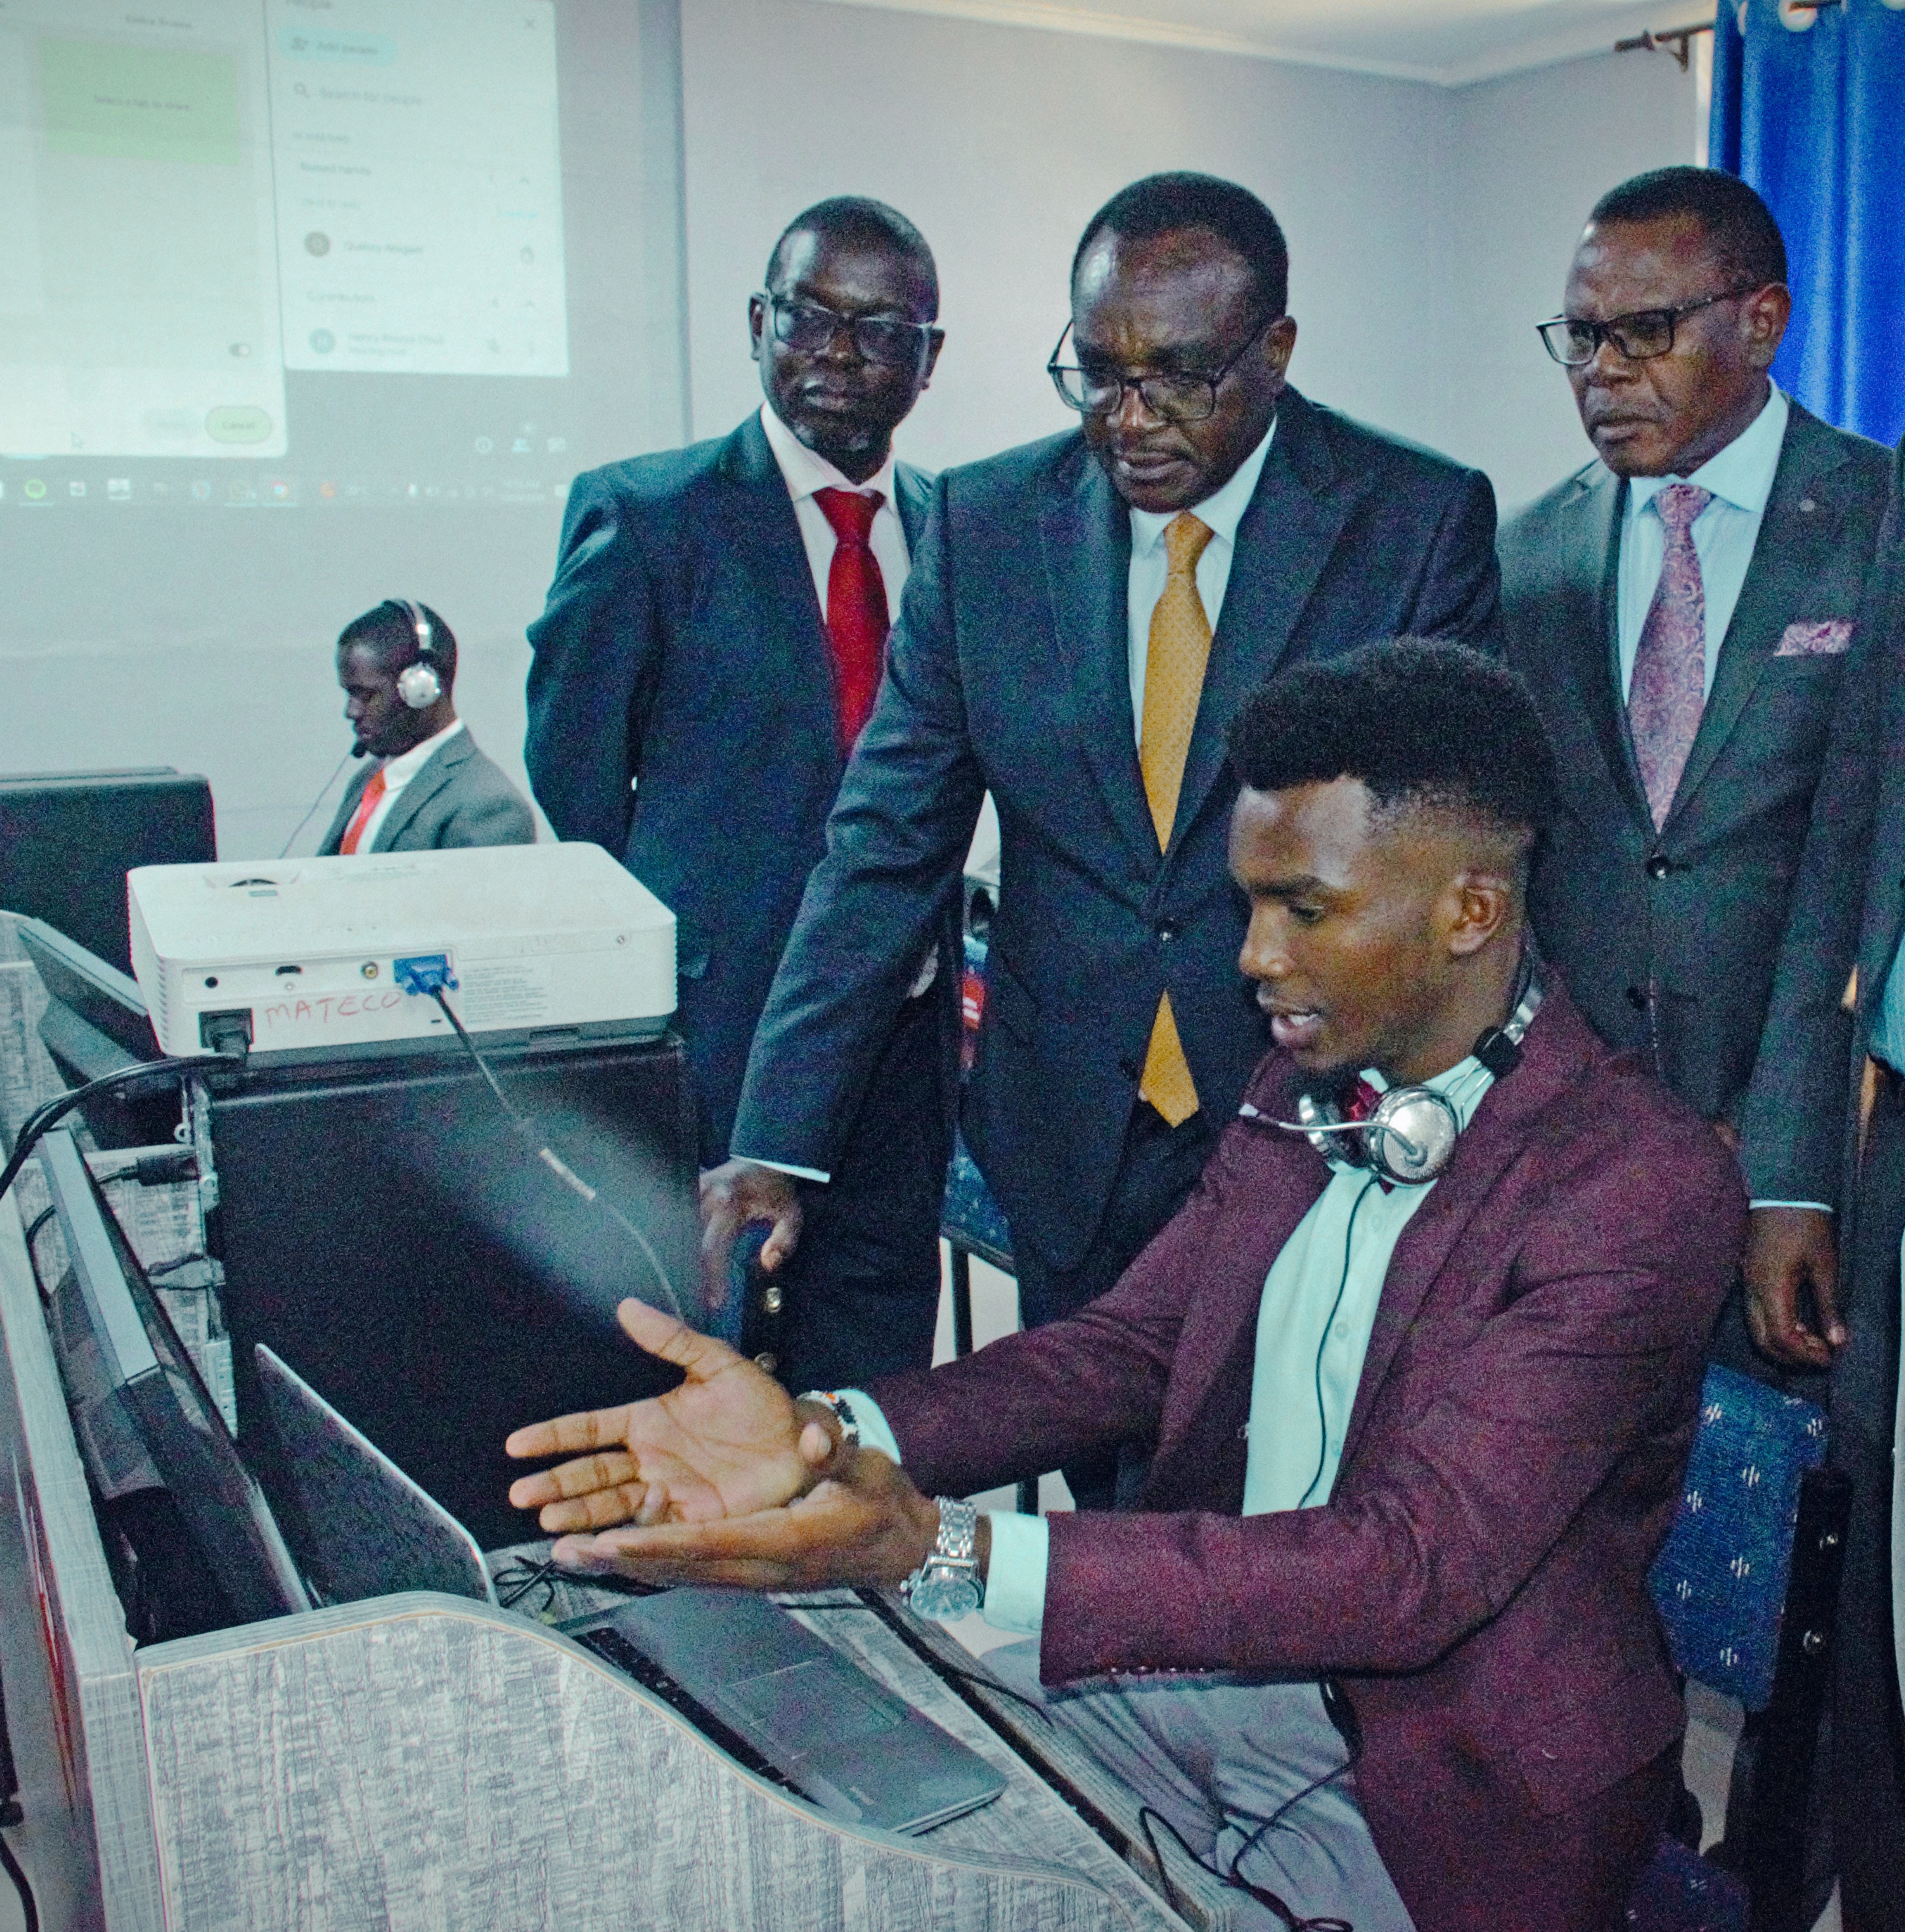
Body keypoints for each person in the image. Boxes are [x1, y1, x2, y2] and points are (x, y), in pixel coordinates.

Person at [509, 640, 1740, 1932]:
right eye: (1246, 906)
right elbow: (1125, 1350)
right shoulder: (1298, 1091)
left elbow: (1405, 1566)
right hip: (1210, 1673)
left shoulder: (1630, 1184)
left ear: (1468, 911)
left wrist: (943, 1553)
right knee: (845, 1835)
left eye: (1300, 910)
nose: (1253, 958)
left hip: (1441, 1792)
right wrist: (827, 1435)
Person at [702, 173, 1502, 1501]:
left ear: (1275, 352)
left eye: (1177, 378)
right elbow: (883, 849)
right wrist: (779, 1138)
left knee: (1288, 1506)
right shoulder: (983, 526)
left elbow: (1446, 857)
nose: (1126, 421)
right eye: (1095, 374)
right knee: (1103, 1496)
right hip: (1072, 1122)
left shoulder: (1406, 522)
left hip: (1317, 1116)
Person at [523, 198, 949, 1392]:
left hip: (902, 1046)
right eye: (807, 318)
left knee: (873, 1367)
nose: (837, 355)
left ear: (928, 358)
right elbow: (577, 781)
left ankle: (850, 1575)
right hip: (718, 1038)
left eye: (878, 330)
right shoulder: (650, 516)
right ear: (756, 323)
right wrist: (697, 941)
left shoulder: (957, 529)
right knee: (704, 1361)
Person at [1498, 166, 1891, 1380]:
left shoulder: (1879, 522)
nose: (1600, 372)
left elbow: (1859, 875)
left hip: (1806, 1154)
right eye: (1578, 337)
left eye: (1643, 333)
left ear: (1760, 321)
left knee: (1784, 1528)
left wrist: (1786, 1176)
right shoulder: (1527, 552)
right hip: (1572, 1159)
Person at [1743, 433, 1905, 1931]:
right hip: (1885, 1138)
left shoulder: (1855, 485)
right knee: (1871, 1606)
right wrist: (1796, 1163)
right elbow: (1851, 843)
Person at [321, 598, 535, 855]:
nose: (351, 711)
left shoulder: (489, 808)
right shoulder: (367, 781)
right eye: (349, 693)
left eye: (364, 694)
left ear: (421, 689)